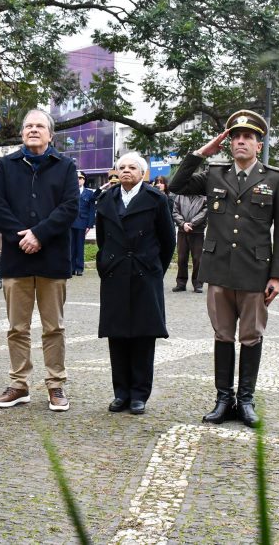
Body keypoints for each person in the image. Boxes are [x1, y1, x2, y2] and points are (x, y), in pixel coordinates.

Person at [169, 109, 279, 427]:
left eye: (248, 137)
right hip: (219, 269)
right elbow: (176, 185)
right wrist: (200, 153)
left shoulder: (275, 179)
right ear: (229, 143)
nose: (241, 142)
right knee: (223, 335)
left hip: (255, 271)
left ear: (258, 145)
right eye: (236, 137)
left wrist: (277, 275)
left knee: (251, 336)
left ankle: (246, 400)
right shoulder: (214, 174)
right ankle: (223, 399)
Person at [0, 108, 78, 412]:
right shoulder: (6, 165)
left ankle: (56, 384)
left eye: (40, 126)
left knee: (54, 327)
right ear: (22, 132)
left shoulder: (65, 166)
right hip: (16, 257)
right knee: (17, 327)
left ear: (50, 134)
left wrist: (39, 234)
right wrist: (20, 237)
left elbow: (69, 208)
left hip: (52, 258)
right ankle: (19, 384)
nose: (33, 130)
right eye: (28, 126)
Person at [95, 153, 175, 415]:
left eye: (132, 167)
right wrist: (105, 264)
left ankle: (140, 394)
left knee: (143, 335)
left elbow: (168, 241)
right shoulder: (106, 198)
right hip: (115, 272)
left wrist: (153, 269)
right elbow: (102, 238)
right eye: (122, 167)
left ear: (143, 173)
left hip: (144, 273)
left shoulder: (156, 199)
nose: (126, 171)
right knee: (116, 335)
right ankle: (121, 393)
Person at [171, 192, 207, 293]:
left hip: (197, 231)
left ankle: (198, 284)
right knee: (182, 258)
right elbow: (175, 212)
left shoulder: (204, 197)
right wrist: (183, 224)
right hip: (182, 231)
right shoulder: (180, 196)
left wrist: (191, 224)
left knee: (198, 259)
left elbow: (204, 213)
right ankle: (181, 283)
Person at [70, 170, 96, 276]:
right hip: (70, 223)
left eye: (81, 178)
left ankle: (79, 267)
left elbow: (92, 210)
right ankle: (71, 268)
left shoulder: (89, 193)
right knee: (71, 246)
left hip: (82, 222)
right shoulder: (70, 191)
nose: (78, 180)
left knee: (80, 246)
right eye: (76, 178)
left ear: (84, 180)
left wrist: (89, 225)